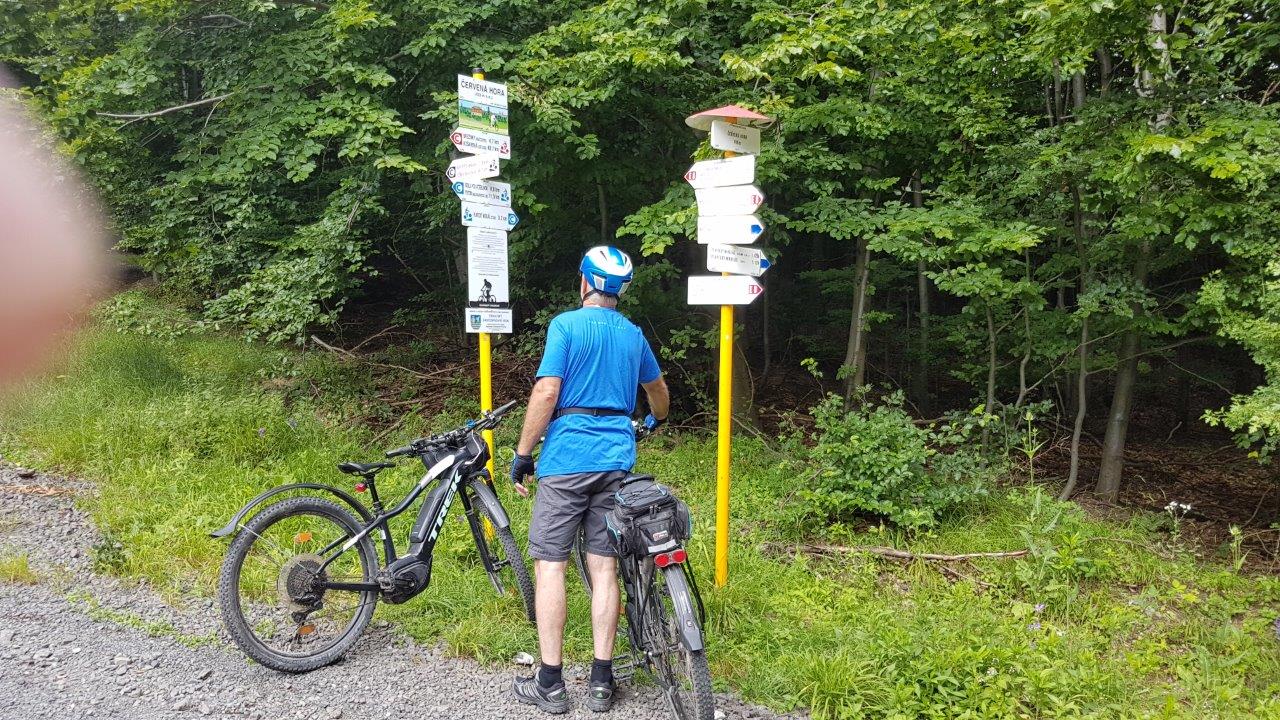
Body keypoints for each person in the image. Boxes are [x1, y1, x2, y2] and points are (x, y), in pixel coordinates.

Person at [509, 246, 669, 714]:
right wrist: (653, 421)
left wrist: (522, 454)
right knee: (604, 567)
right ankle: (602, 681)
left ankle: (551, 683)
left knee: (551, 565)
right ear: (621, 289)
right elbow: (658, 393)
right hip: (615, 461)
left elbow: (547, 390)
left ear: (585, 282)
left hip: (565, 462)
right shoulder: (633, 334)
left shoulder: (565, 325)